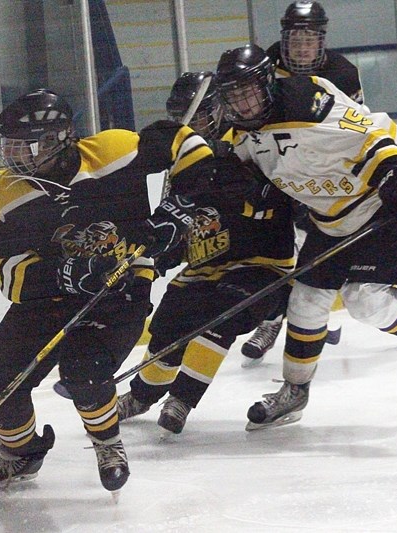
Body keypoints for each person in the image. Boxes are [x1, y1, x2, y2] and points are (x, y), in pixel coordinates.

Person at [0, 88, 215, 492]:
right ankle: (21, 452)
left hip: (123, 285)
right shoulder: (7, 195)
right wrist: (67, 275)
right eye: (8, 147)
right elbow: (9, 271)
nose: (13, 158)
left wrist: (178, 210)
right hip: (52, 296)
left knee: (85, 371)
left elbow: (185, 141)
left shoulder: (113, 150)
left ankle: (108, 443)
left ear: (57, 140)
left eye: (23, 147)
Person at [214, 44, 397, 430]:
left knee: (363, 299)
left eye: (249, 91)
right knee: (306, 299)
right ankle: (294, 392)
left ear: (266, 83)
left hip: (384, 196)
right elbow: (248, 182)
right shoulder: (241, 137)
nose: (243, 104)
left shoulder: (304, 98)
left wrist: (394, 172)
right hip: (331, 215)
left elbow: (368, 133)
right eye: (234, 96)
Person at [115, 72, 296, 435]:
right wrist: (166, 248)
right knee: (167, 326)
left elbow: (277, 197)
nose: (192, 125)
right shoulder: (183, 160)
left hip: (260, 264)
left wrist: (240, 181)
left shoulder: (246, 142)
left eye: (198, 116)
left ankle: (182, 398)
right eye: (184, 117)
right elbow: (182, 219)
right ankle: (144, 394)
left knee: (220, 317)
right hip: (207, 264)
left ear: (219, 111)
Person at [241, 0, 363, 364]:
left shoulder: (342, 73)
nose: (302, 46)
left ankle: (297, 319)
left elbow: (357, 128)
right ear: (284, 39)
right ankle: (275, 317)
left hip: (321, 168)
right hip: (278, 164)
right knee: (280, 245)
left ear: (321, 41)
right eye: (295, 39)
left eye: (309, 39)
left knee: (312, 249)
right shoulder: (265, 65)